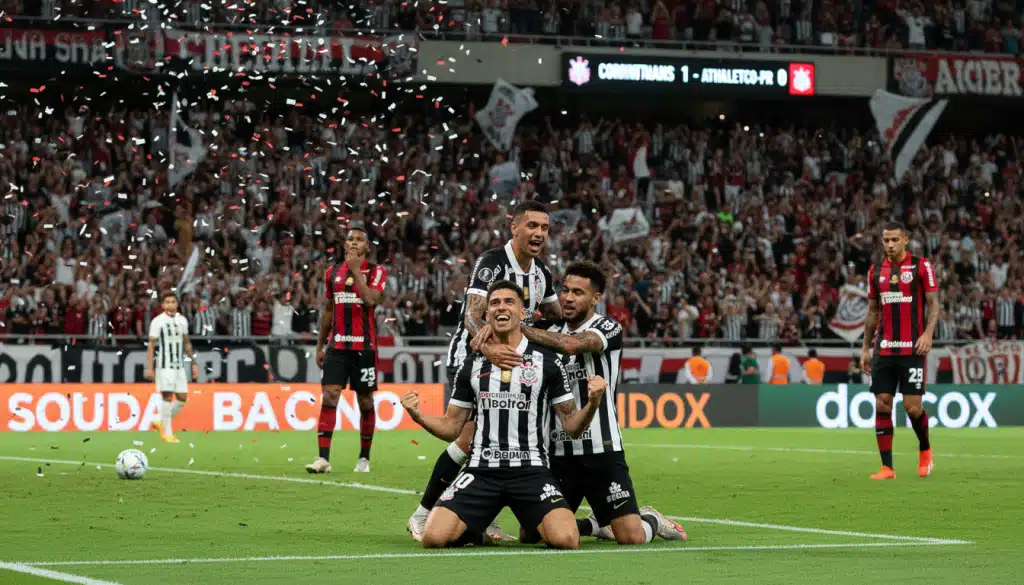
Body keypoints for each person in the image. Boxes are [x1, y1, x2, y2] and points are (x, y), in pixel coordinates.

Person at [477, 261, 686, 545]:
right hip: (558, 451)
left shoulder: (608, 327)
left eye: (578, 293)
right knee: (532, 535)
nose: (568, 298)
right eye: (565, 290)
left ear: (595, 299)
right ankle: (595, 525)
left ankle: (651, 519)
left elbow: (572, 344)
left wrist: (520, 328)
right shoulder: (549, 327)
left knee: (632, 537)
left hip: (601, 448)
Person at [400, 280, 601, 549]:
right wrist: (418, 416)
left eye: (509, 302)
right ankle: (477, 534)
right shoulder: (471, 364)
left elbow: (572, 426)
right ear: (486, 315)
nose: (501, 307)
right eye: (494, 303)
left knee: (566, 539)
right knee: (433, 538)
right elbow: (451, 427)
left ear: (523, 313)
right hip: (482, 472)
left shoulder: (548, 363)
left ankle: (476, 531)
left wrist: (593, 402)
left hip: (531, 472)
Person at [407, 200, 562, 542]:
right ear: (515, 228)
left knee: (497, 440)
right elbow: (472, 316)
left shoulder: (541, 275)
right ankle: (421, 514)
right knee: (468, 438)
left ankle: (481, 518)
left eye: (545, 228)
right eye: (532, 225)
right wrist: (491, 351)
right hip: (473, 358)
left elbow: (557, 313)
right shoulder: (493, 262)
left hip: (513, 362)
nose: (538, 233)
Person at [861, 221, 939, 480]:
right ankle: (887, 467)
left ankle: (925, 450)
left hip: (912, 348)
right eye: (886, 240)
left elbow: (933, 304)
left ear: (906, 240)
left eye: (895, 239)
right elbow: (872, 312)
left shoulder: (921, 266)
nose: (890, 245)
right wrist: (864, 348)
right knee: (882, 403)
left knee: (912, 408)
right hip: (884, 348)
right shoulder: (875, 272)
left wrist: (928, 333)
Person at [307, 225, 387, 474]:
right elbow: (329, 310)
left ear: (367, 247)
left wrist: (355, 271)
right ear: (344, 244)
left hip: (364, 348)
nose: (354, 243)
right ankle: (323, 459)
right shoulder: (332, 272)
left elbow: (371, 299)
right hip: (337, 346)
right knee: (330, 396)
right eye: (350, 239)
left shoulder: (376, 271)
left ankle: (364, 457)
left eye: (359, 240)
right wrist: (320, 344)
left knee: (364, 402)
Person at [145, 292, 199, 444]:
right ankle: (167, 433)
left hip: (179, 365)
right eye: (167, 302)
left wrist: (194, 362)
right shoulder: (158, 321)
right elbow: (151, 344)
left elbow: (186, 343)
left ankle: (159, 421)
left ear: (177, 304)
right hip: (164, 365)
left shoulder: (182, 320)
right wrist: (149, 367)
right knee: (167, 396)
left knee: (182, 399)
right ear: (163, 305)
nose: (170, 305)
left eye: (173, 302)